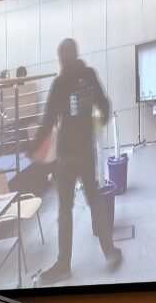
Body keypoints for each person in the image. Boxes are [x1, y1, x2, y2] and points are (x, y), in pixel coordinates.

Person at [30, 38, 122, 284]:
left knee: (64, 210)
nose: (60, 61)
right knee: (95, 201)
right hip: (86, 153)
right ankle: (110, 252)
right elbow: (105, 105)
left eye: (60, 57)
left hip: (67, 156)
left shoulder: (60, 83)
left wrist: (33, 147)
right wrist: (95, 126)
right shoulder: (89, 75)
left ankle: (63, 265)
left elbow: (49, 119)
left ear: (63, 57)